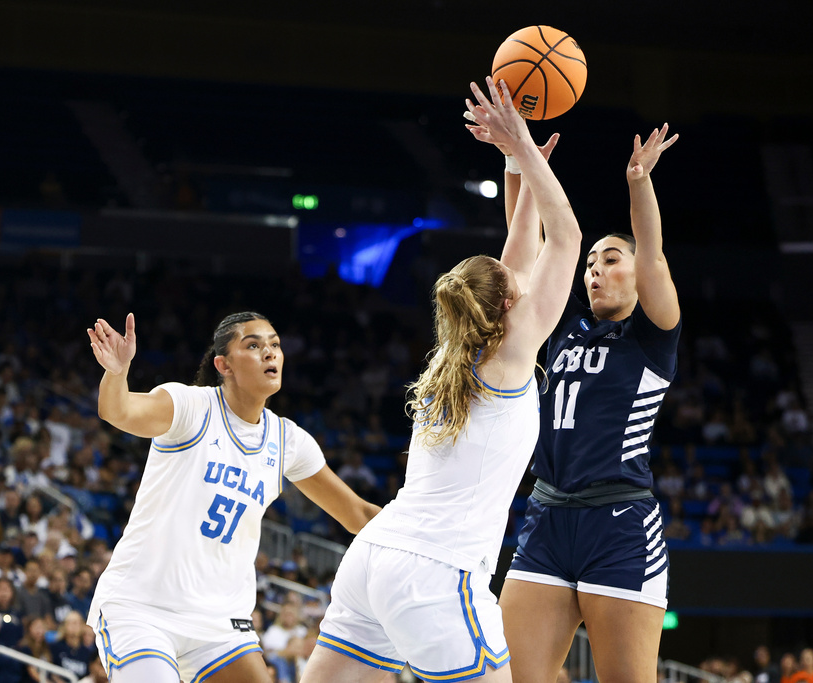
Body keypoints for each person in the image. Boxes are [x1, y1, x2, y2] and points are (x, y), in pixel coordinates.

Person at [301, 75, 581, 683]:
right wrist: (526, 154)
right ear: (507, 306)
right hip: (437, 573)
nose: (522, 278)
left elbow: (519, 249)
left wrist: (516, 158)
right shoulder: (508, 357)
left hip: (373, 559)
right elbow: (565, 238)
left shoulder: (455, 354)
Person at [84, 301, 381, 683]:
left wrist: (427, 528)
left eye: (275, 344)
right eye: (254, 345)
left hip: (220, 623)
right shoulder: (191, 407)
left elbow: (357, 515)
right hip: (143, 608)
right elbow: (119, 411)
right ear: (223, 365)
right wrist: (117, 373)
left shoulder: (287, 440)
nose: (270, 352)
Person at [492, 116, 682, 681]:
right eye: (591, 264)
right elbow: (528, 254)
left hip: (619, 523)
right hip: (546, 515)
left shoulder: (652, 336)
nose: (595, 272)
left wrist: (639, 183)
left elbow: (653, 257)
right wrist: (517, 164)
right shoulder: (563, 330)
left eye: (610, 260)